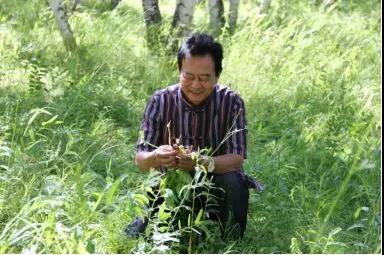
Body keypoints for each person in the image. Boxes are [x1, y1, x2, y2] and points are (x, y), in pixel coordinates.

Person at [126, 32, 261, 240]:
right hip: (171, 186)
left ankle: (232, 242)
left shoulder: (231, 102)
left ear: (217, 75)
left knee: (235, 182)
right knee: (137, 233)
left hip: (217, 186)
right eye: (188, 77)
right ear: (179, 72)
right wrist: (156, 157)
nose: (196, 85)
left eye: (204, 78)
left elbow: (236, 159)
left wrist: (201, 162)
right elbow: (141, 159)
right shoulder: (160, 101)